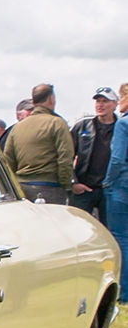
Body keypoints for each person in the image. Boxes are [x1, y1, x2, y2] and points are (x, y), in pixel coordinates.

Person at [2, 83, 74, 204]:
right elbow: (65, 158)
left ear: (33, 101)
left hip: (22, 189)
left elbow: (8, 161)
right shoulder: (57, 123)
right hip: (50, 188)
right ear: (51, 99)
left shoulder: (17, 128)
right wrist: (66, 185)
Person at [69, 87, 120, 223]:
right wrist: (73, 182)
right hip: (84, 188)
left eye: (105, 101)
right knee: (77, 227)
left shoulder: (121, 128)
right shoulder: (82, 126)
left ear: (115, 104)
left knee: (110, 231)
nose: (100, 105)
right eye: (98, 101)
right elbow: (66, 156)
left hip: (110, 190)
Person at [100, 82, 128, 301]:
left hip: (122, 185)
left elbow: (117, 158)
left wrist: (107, 181)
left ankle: (124, 291)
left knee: (120, 238)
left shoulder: (123, 124)